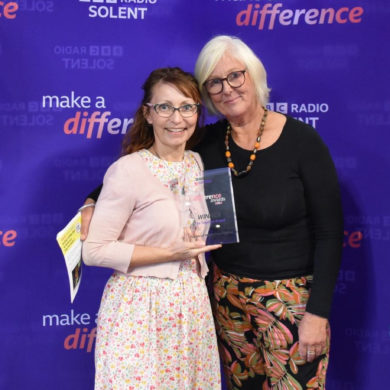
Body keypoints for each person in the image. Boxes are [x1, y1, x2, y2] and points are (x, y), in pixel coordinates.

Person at [82, 36, 343, 389]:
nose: (227, 89)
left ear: (254, 76)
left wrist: (318, 312)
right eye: (214, 82)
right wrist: (91, 201)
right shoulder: (204, 142)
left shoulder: (302, 142)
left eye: (236, 76)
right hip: (224, 301)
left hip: (290, 304)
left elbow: (329, 232)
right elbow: (143, 170)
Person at [82, 67, 222, 390]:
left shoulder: (197, 164)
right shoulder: (127, 170)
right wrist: (168, 253)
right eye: (165, 107)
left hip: (191, 307)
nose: (177, 118)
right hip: (138, 312)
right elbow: (93, 250)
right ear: (148, 113)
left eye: (187, 107)